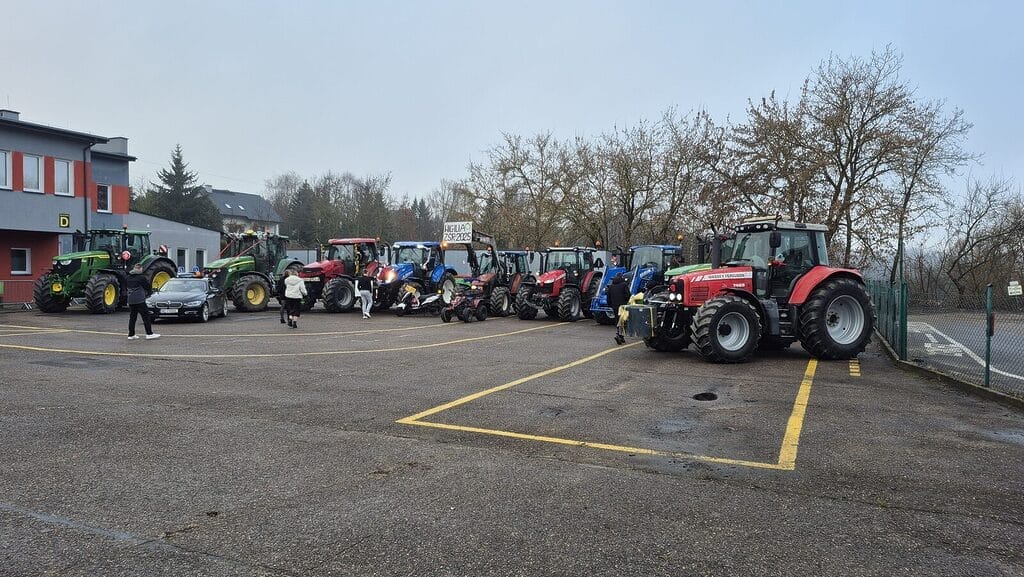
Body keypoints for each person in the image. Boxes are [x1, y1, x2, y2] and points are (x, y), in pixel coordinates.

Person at [126, 264, 159, 340]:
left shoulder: (128, 278)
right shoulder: (141, 278)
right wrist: (149, 293)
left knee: (132, 317)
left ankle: (131, 334)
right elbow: (147, 287)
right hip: (139, 300)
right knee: (146, 316)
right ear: (140, 269)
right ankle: (149, 333)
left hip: (131, 300)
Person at [606, 273, 630, 345]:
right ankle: (620, 335)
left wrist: (610, 305)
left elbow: (608, 298)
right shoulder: (624, 285)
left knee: (617, 320)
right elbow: (628, 295)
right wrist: (627, 302)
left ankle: (619, 335)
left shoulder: (611, 287)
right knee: (623, 320)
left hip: (615, 306)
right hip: (623, 306)